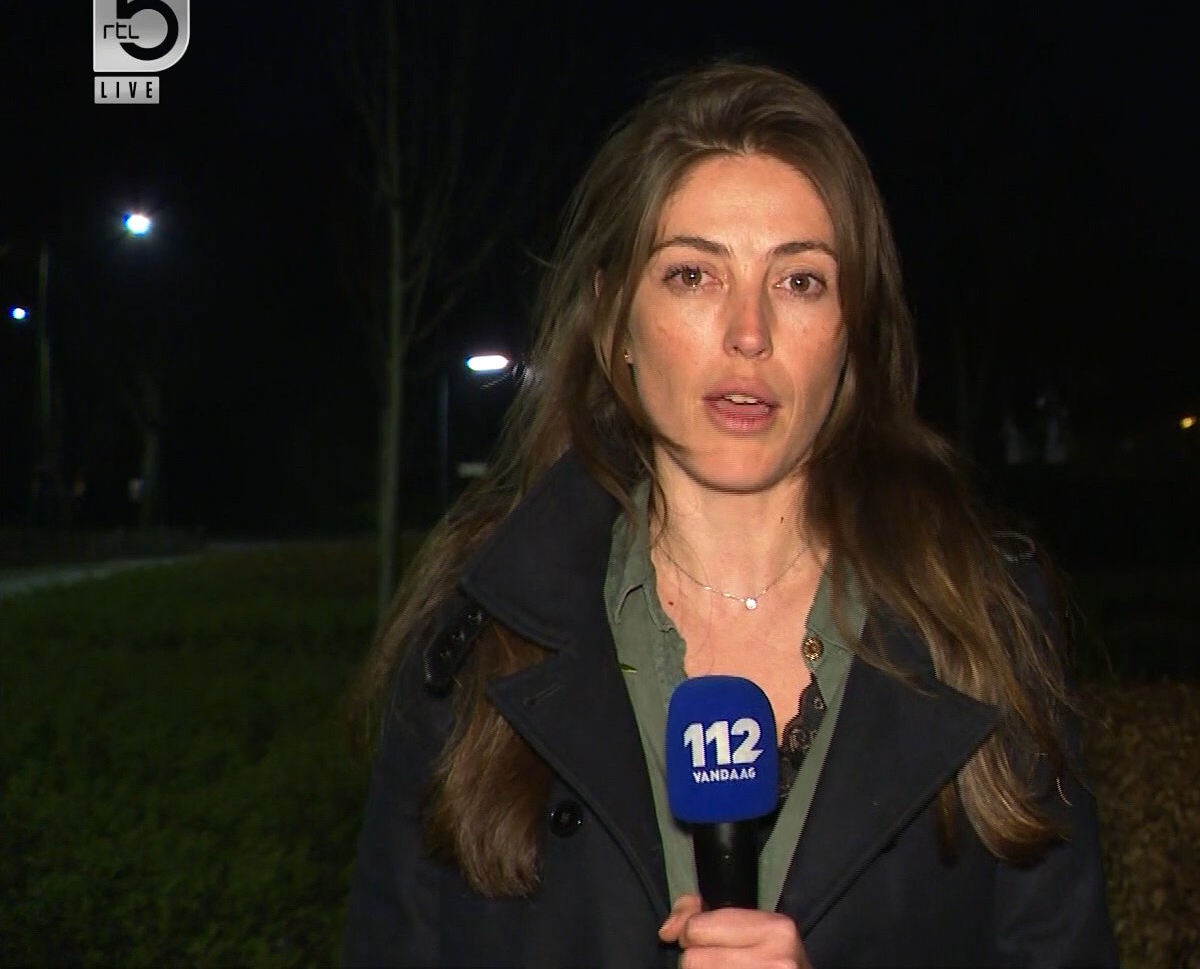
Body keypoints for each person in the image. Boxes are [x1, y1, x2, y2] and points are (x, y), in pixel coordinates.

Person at [341, 61, 1118, 968]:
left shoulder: (983, 619)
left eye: (800, 282)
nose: (750, 332)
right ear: (615, 320)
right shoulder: (476, 631)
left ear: (853, 332)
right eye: (693, 275)